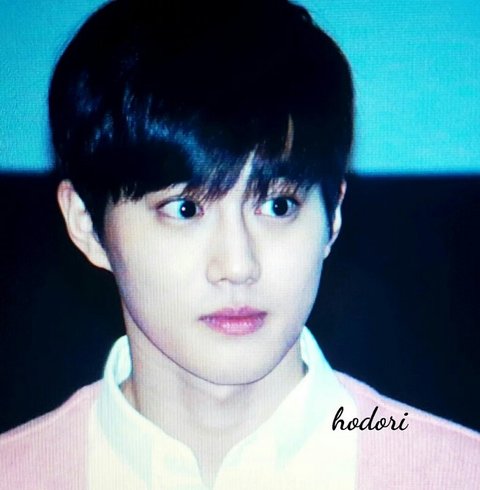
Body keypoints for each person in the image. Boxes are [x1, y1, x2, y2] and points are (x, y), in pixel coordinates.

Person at [1, 0, 479, 488]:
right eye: (185, 209)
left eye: (278, 205)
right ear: (86, 224)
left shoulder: (455, 473)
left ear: (333, 215)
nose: (237, 265)